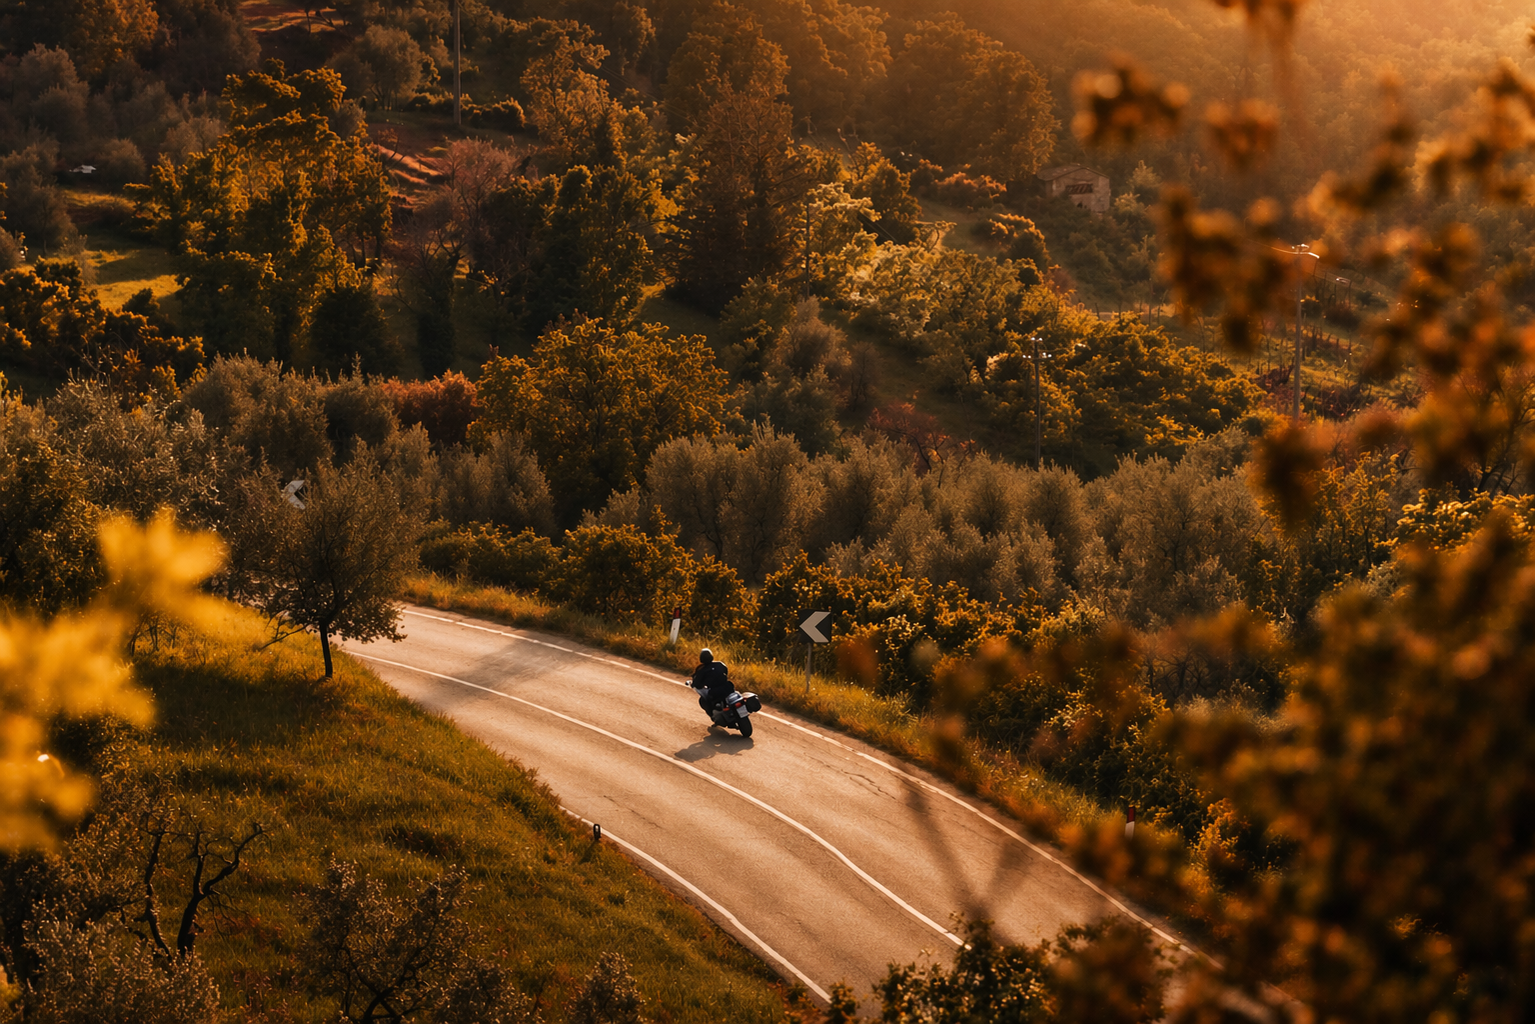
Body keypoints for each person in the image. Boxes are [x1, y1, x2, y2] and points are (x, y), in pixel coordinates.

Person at [692, 648, 732, 722]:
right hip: (728, 686)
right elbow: (726, 672)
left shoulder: (702, 670)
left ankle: (714, 716)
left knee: (705, 700)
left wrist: (695, 684)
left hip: (715, 691)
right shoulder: (720, 664)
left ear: (701, 659)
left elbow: (697, 683)